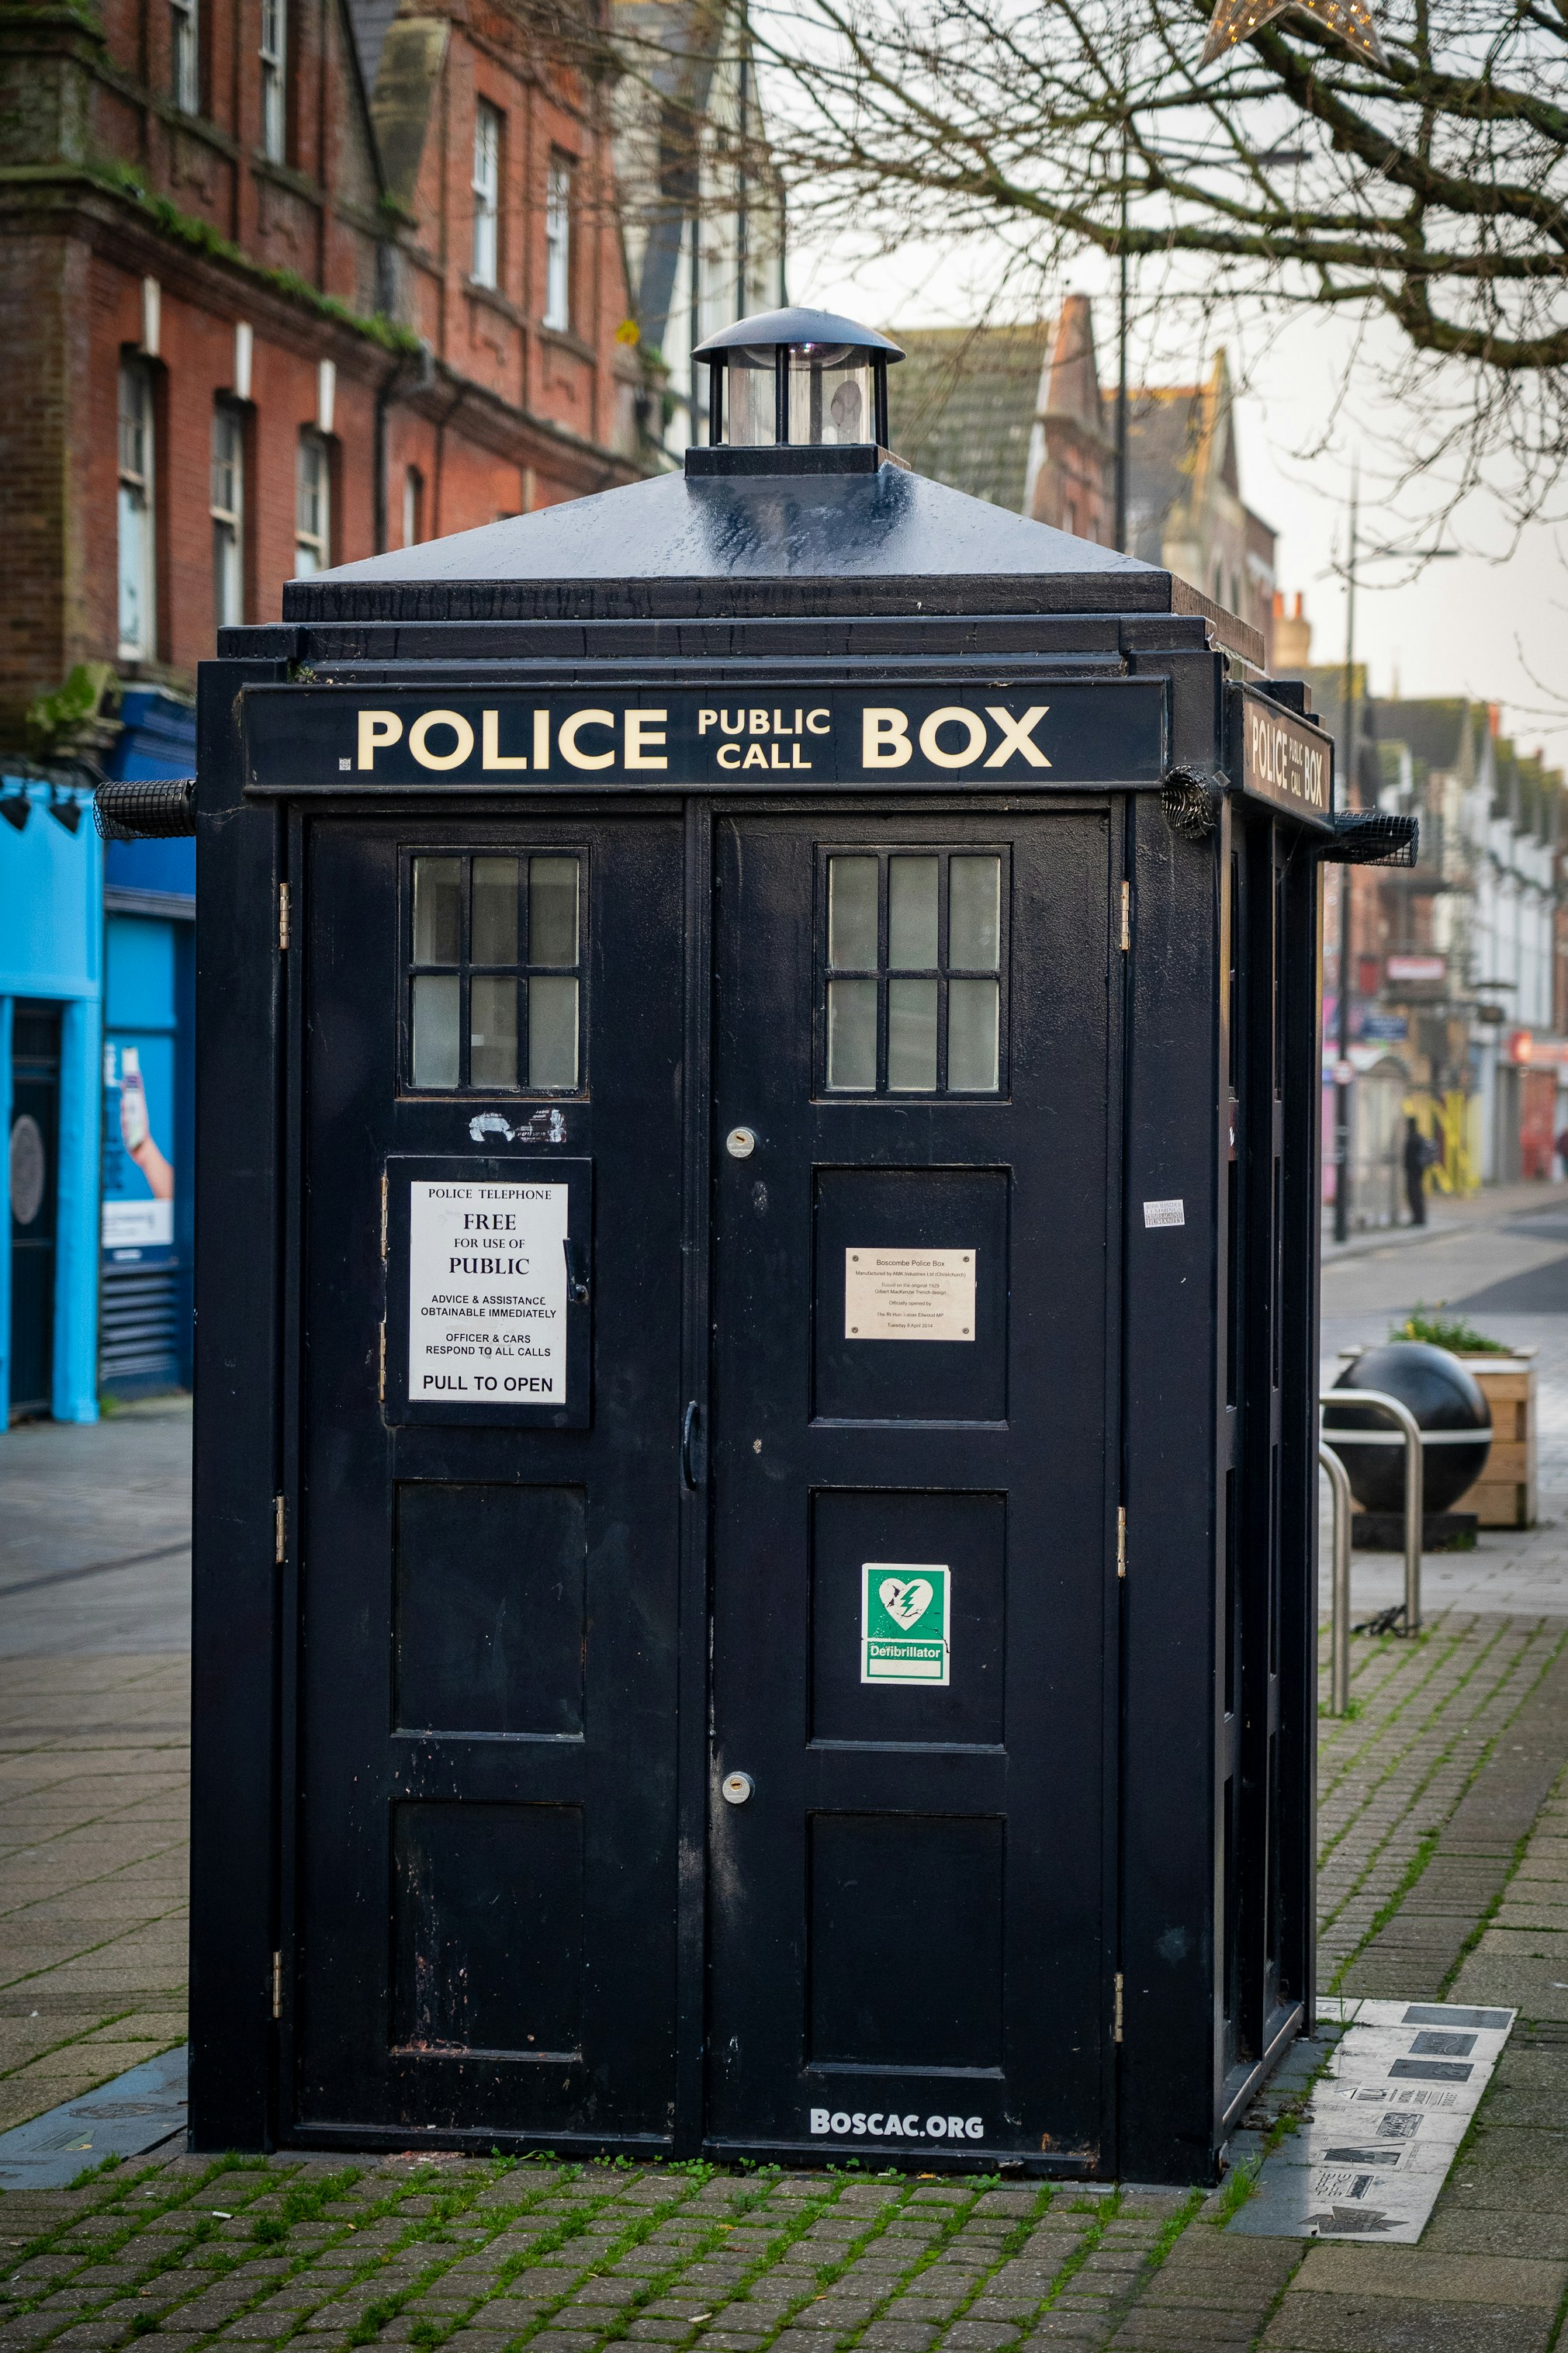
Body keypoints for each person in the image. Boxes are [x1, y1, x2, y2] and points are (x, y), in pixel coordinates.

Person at [1404, 1115, 1433, 1226]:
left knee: (1414, 1195)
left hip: (1413, 1172)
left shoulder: (1413, 1139)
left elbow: (1411, 1157)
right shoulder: (1418, 1138)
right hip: (1418, 1171)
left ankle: (1418, 1219)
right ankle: (1419, 1218)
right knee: (1417, 1195)